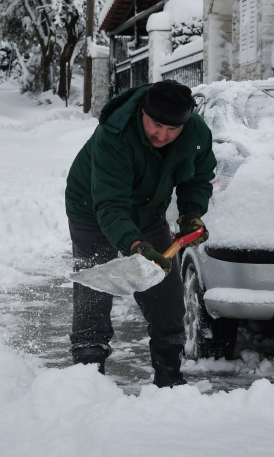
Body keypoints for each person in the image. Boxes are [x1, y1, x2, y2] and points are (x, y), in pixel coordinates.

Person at [64, 79, 216, 387]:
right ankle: (87, 379)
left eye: (172, 129)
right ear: (142, 113)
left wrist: (190, 213)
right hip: (92, 208)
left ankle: (170, 379)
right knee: (96, 285)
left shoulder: (196, 134)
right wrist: (136, 246)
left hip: (148, 211)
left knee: (165, 289)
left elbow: (198, 178)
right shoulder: (115, 135)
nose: (163, 135)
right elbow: (110, 205)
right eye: (156, 125)